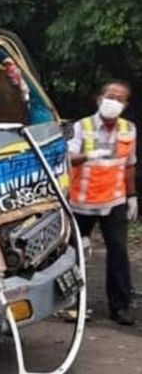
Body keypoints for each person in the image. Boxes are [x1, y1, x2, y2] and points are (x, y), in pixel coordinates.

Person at [68, 80, 137, 326]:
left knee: (118, 251)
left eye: (120, 98)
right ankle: (72, 304)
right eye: (110, 96)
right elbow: (68, 158)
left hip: (113, 200)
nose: (114, 101)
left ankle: (120, 307)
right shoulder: (82, 126)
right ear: (100, 99)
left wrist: (132, 196)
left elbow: (129, 166)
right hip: (81, 202)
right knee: (72, 253)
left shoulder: (129, 129)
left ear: (125, 105)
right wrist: (88, 155)